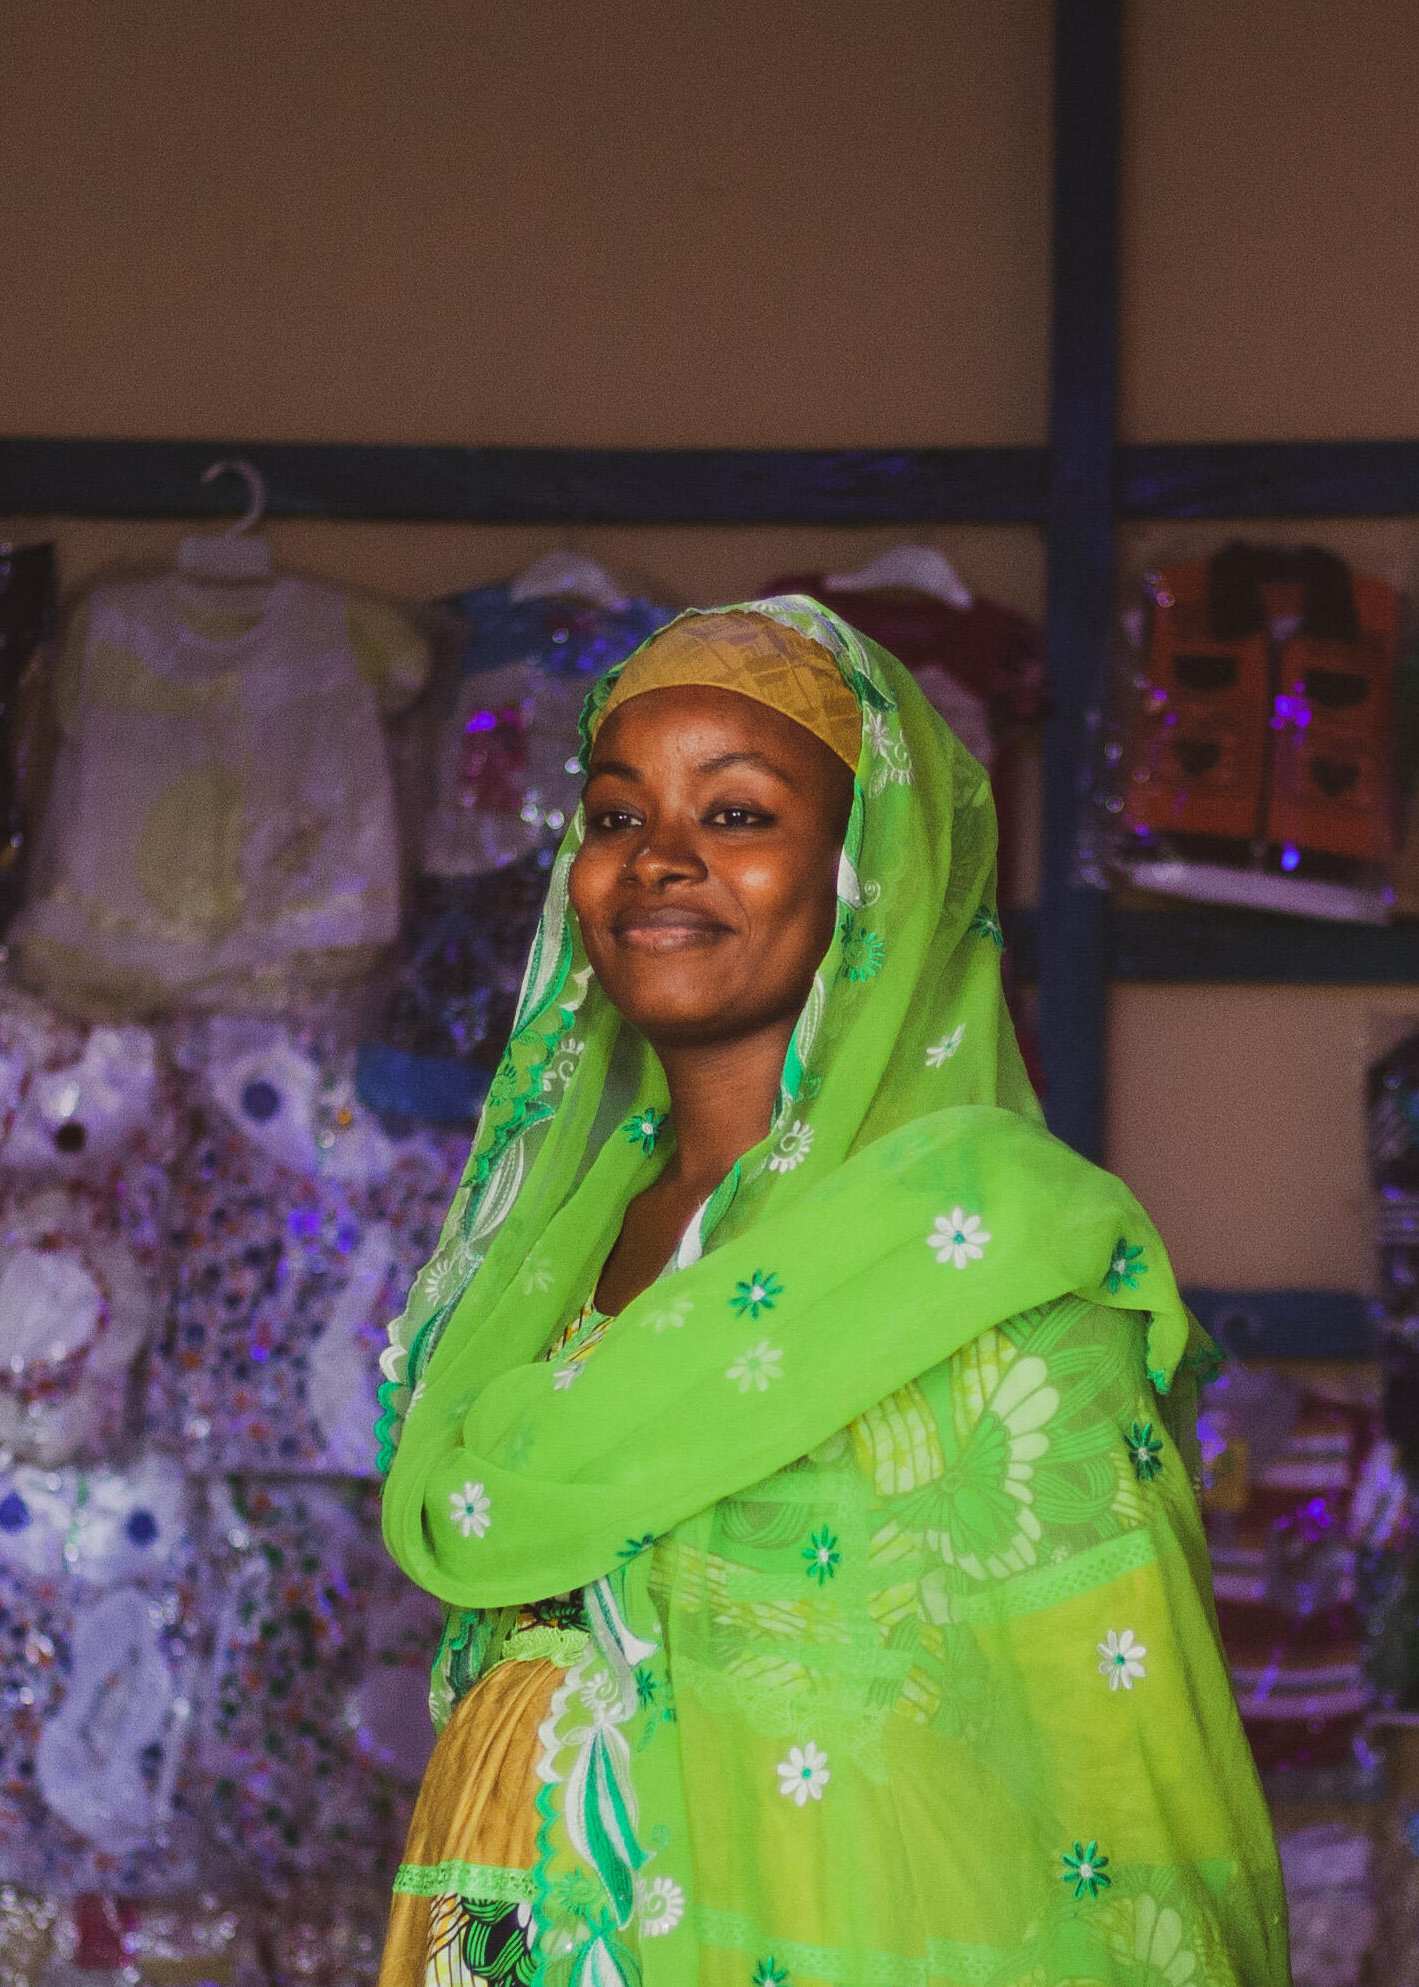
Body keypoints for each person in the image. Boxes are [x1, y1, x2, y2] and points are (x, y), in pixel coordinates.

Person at [374, 601, 1286, 1987]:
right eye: (615, 819)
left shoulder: (986, 1266)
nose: (659, 860)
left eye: (736, 814)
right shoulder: (534, 1252)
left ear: (871, 872)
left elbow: (1127, 1783)